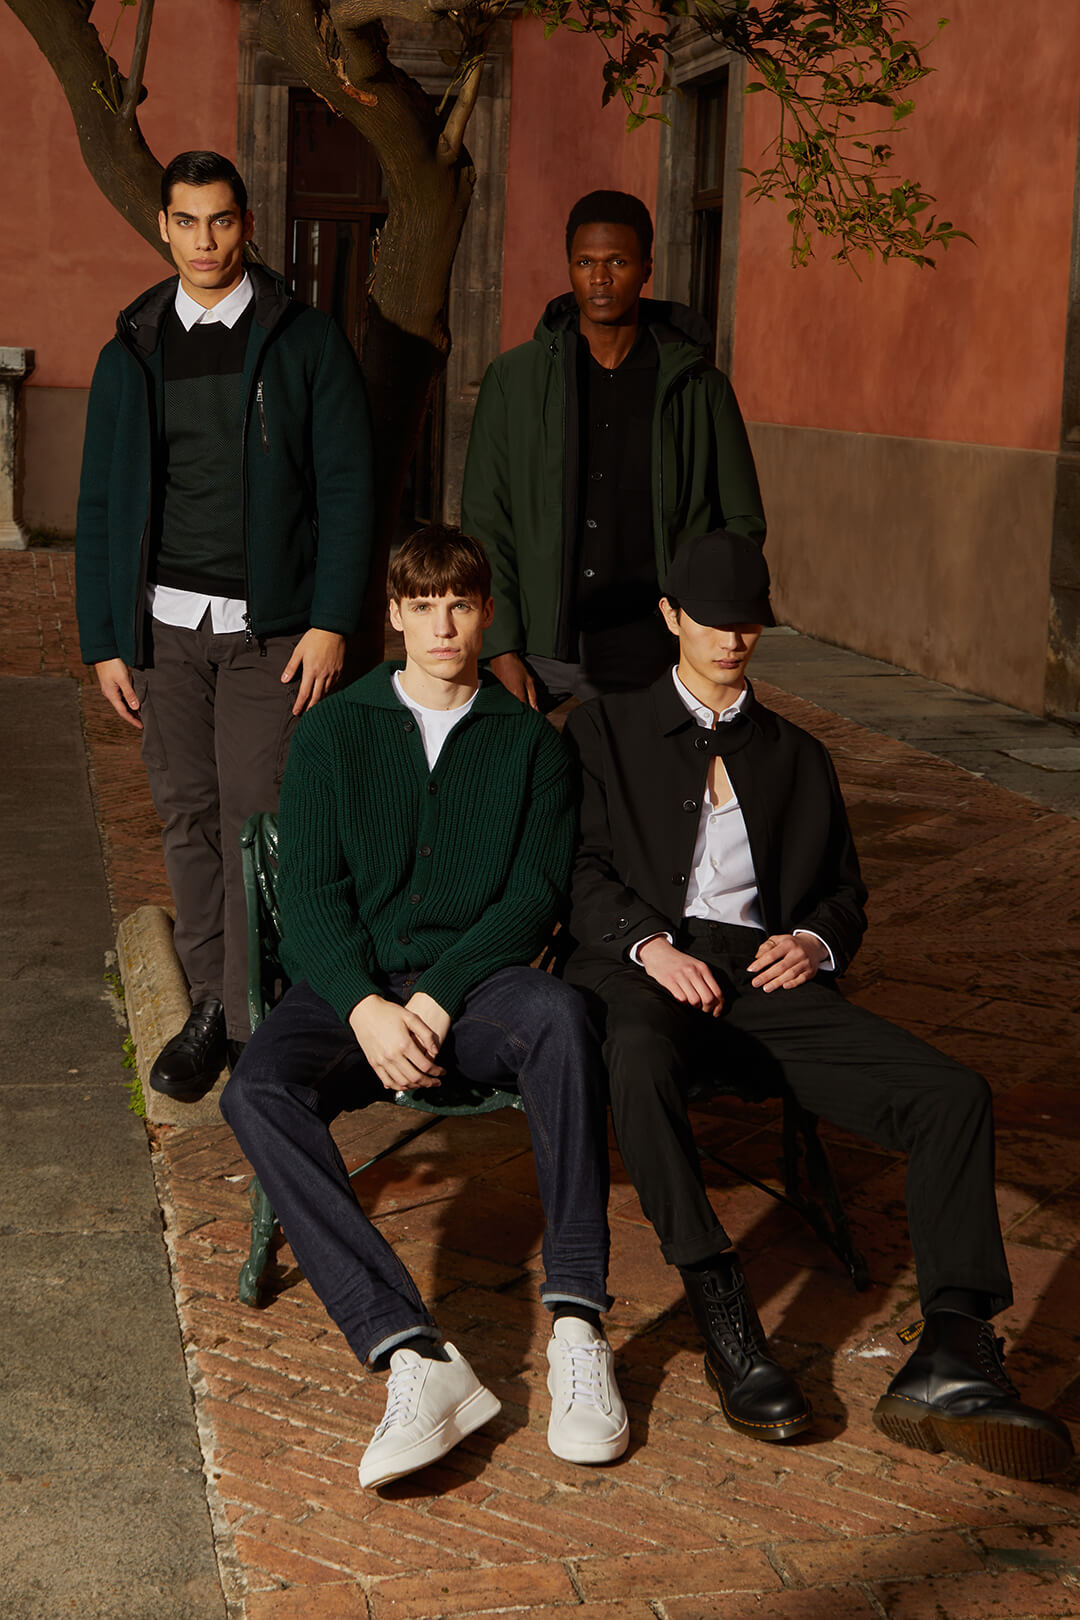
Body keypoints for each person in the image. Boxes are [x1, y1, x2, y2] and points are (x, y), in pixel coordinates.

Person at [561, 529, 1073, 1481]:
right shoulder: (602, 732)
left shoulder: (798, 755)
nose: (732, 640)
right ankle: (724, 1314)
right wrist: (649, 945)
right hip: (644, 968)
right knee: (634, 1054)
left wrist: (812, 942)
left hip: (764, 977)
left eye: (749, 623)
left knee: (952, 1095)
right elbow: (581, 872)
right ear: (671, 617)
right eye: (713, 620)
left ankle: (954, 1350)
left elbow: (843, 892)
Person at [219, 525, 628, 1488]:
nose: (442, 626)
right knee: (256, 1091)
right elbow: (310, 895)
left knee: (563, 1019)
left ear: (485, 614)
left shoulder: (531, 746)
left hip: (475, 989)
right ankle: (413, 1350)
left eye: (460, 605)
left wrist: (440, 995)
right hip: (349, 993)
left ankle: (578, 1328)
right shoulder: (334, 731)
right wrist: (364, 1005)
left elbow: (532, 895)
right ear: (395, 615)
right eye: (422, 606)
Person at [76, 150, 373, 1101]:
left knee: (254, 813)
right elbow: (99, 503)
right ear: (164, 227)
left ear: (246, 224)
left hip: (269, 632)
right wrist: (103, 639)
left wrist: (331, 621)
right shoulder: (131, 350)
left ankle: (255, 1018)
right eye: (187, 222)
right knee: (186, 813)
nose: (205, 241)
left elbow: (349, 489)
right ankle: (212, 1003)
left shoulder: (304, 341)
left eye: (222, 220)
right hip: (162, 627)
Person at [461, 189, 765, 710]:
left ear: (646, 268)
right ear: (570, 268)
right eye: (585, 262)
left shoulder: (700, 387)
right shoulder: (514, 379)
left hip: (655, 648)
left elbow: (742, 522)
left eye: (617, 262)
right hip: (538, 648)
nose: (599, 278)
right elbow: (486, 521)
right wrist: (501, 646)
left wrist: (700, 624)